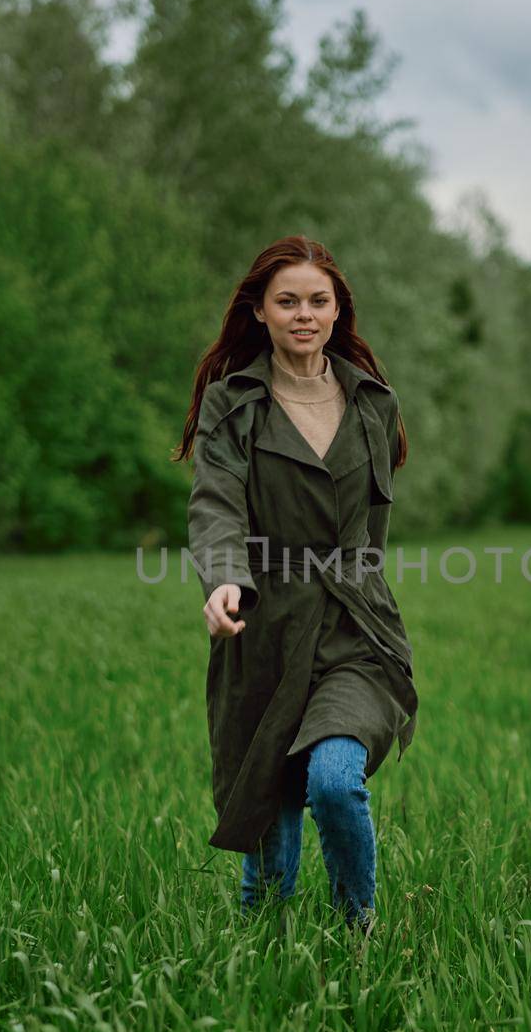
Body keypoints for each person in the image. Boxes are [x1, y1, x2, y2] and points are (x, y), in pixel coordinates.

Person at [175, 235, 419, 936]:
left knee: (335, 782)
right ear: (259, 312)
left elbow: (368, 529)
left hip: (355, 630)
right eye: (287, 301)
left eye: (318, 300)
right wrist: (224, 580)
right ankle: (262, 967)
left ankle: (357, 936)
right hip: (265, 629)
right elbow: (216, 501)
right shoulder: (234, 404)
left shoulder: (375, 404)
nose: (303, 314)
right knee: (269, 832)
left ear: (339, 311)